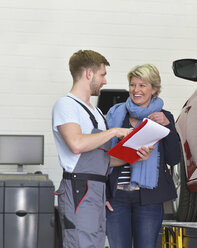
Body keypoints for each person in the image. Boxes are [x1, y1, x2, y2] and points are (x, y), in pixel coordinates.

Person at [52, 50, 153, 248]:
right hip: (79, 189)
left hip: (97, 191)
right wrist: (114, 131)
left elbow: (103, 160)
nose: (105, 81)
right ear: (89, 73)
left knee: (95, 243)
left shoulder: (96, 111)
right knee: (81, 243)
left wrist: (135, 157)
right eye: (102, 75)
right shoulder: (66, 105)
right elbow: (77, 144)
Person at [105, 64, 181, 248]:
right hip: (116, 197)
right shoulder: (115, 114)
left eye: (142, 85)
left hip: (148, 199)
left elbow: (174, 158)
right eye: (133, 85)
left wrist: (169, 126)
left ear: (154, 89)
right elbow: (99, 157)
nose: (136, 90)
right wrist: (102, 194)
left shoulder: (164, 117)